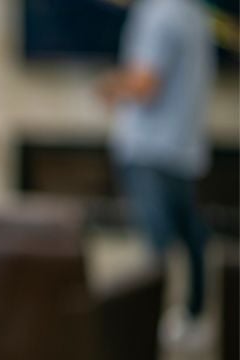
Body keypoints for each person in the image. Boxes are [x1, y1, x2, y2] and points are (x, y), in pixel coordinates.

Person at [98, 0, 215, 350]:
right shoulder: (193, 11)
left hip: (150, 149)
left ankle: (152, 331)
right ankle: (192, 318)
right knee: (190, 236)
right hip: (183, 145)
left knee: (157, 249)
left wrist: (108, 86)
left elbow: (145, 82)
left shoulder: (157, 13)